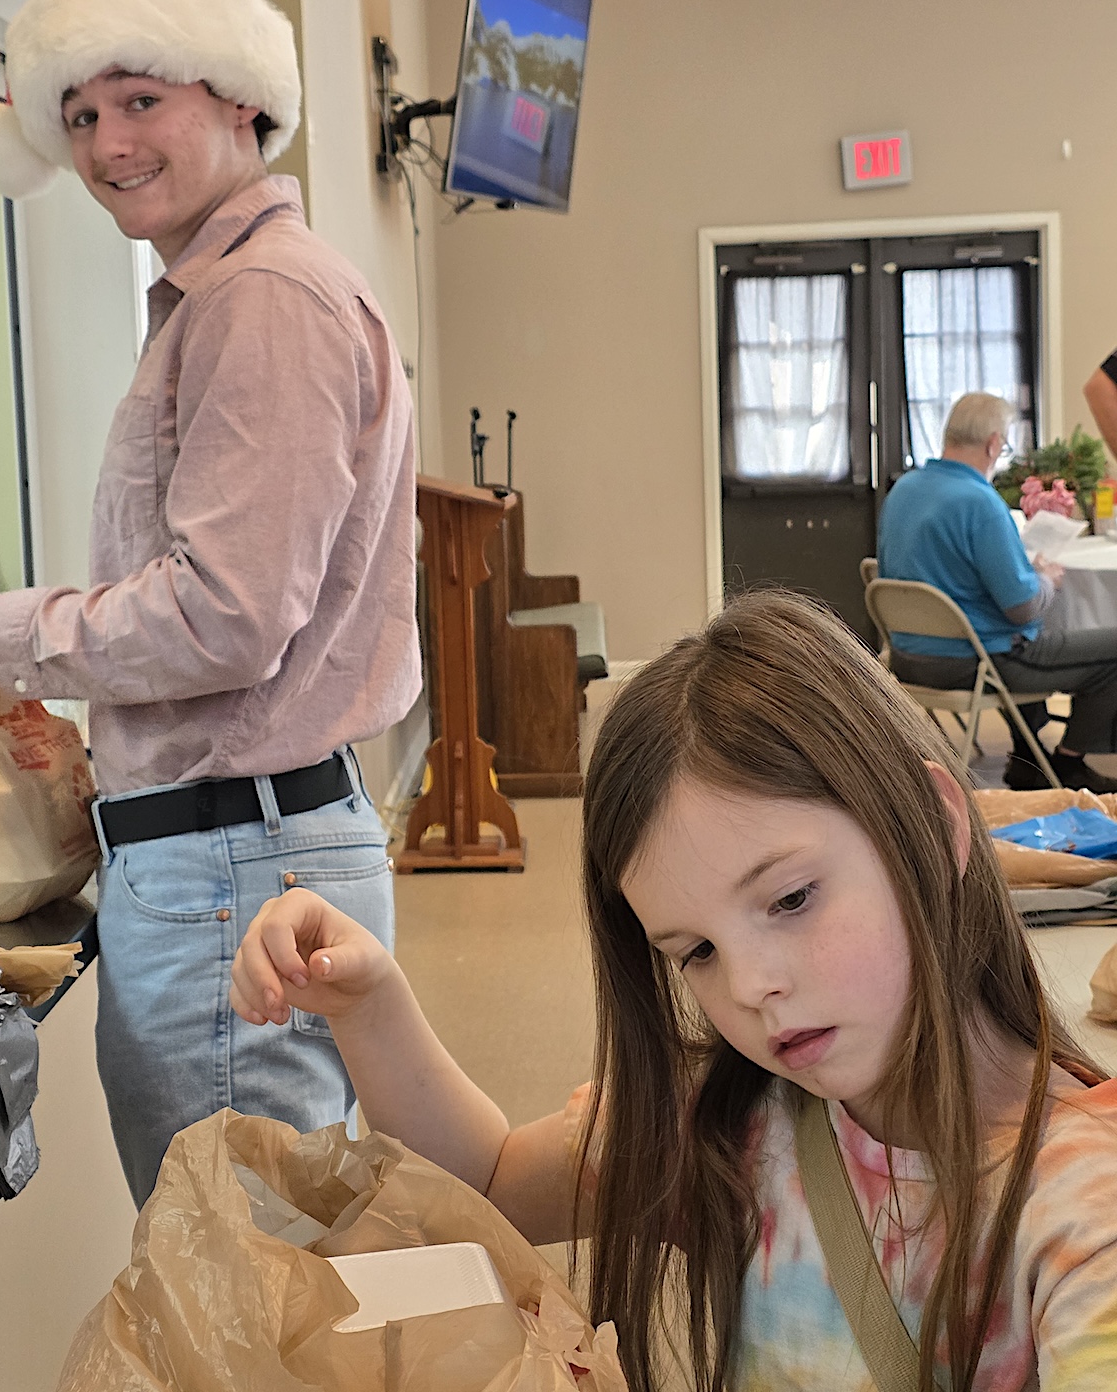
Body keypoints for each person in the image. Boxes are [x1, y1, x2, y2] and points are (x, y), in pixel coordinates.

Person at [231, 590, 1117, 1392]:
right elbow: (485, 1182)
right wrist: (368, 1004)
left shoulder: (1087, 1204)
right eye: (695, 952)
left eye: (791, 899)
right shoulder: (731, 1124)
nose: (753, 986)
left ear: (933, 823)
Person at [0, 0, 420, 1206]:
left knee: (240, 1263)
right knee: (257, 1255)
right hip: (232, 848)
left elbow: (228, 617)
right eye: (81, 115)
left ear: (241, 98)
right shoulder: (226, 297)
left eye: (140, 100)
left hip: (233, 864)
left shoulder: (260, 300)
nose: (107, 145)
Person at [877, 391, 1117, 792]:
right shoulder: (980, 503)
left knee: (1028, 633)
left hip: (907, 657)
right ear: (993, 444)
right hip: (976, 661)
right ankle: (1067, 764)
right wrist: (1047, 579)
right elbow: (1022, 608)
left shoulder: (904, 490)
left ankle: (1028, 757)